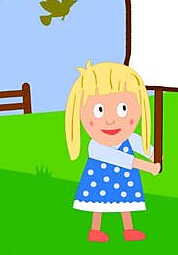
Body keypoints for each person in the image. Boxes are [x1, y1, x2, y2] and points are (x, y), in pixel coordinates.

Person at [65, 61, 160, 242]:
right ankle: (95, 230)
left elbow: (144, 146)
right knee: (98, 202)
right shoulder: (95, 146)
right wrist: (148, 167)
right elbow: (122, 159)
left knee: (125, 201)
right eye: (99, 110)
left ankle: (129, 229)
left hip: (124, 179)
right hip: (100, 178)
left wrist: (155, 156)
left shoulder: (129, 138)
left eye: (123, 109)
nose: (110, 120)